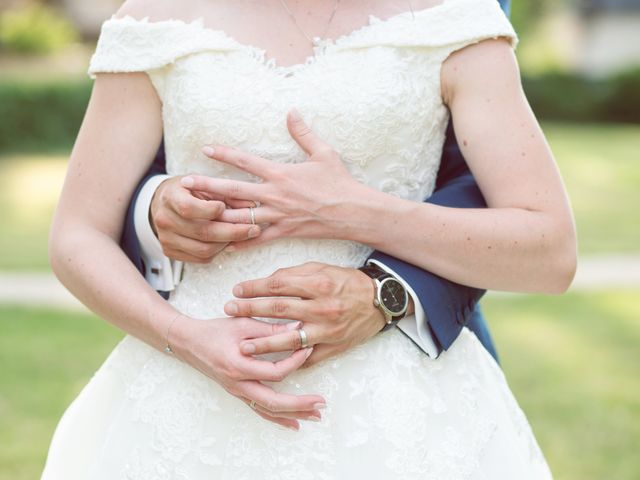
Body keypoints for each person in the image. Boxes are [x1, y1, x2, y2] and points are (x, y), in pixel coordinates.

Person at [43, 0, 576, 478]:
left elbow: (549, 252)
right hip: (187, 395)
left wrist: (356, 213)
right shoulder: (154, 20)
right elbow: (77, 233)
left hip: (400, 403)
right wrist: (183, 337)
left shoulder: (454, 21)